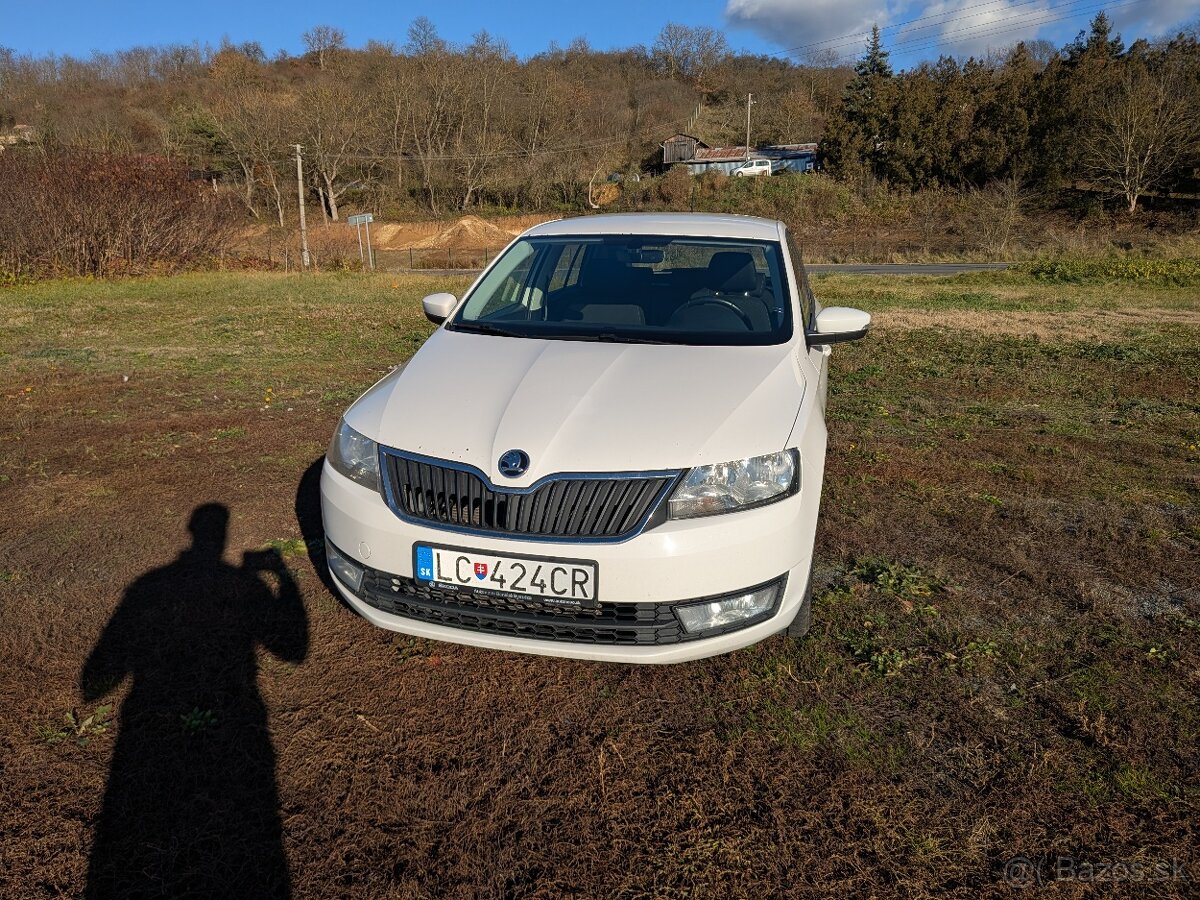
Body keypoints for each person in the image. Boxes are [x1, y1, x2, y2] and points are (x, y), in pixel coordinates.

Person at [82, 504, 308, 898]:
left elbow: (94, 683)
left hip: (147, 737)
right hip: (239, 730)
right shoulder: (246, 587)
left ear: (188, 532)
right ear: (221, 536)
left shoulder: (147, 588)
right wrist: (282, 576)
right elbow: (293, 650)